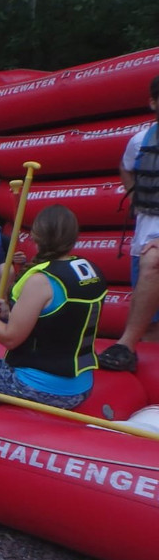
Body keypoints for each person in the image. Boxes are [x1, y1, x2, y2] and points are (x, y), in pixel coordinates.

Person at [0, 205, 107, 409]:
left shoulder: (41, 280)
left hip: (44, 387)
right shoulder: (91, 269)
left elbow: (10, 338)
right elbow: (61, 319)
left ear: (36, 237)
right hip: (83, 384)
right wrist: (10, 312)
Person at [98, 74, 159, 372]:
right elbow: (126, 166)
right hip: (144, 236)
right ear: (153, 103)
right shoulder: (140, 142)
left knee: (155, 260)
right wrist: (135, 196)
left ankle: (124, 344)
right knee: (152, 328)